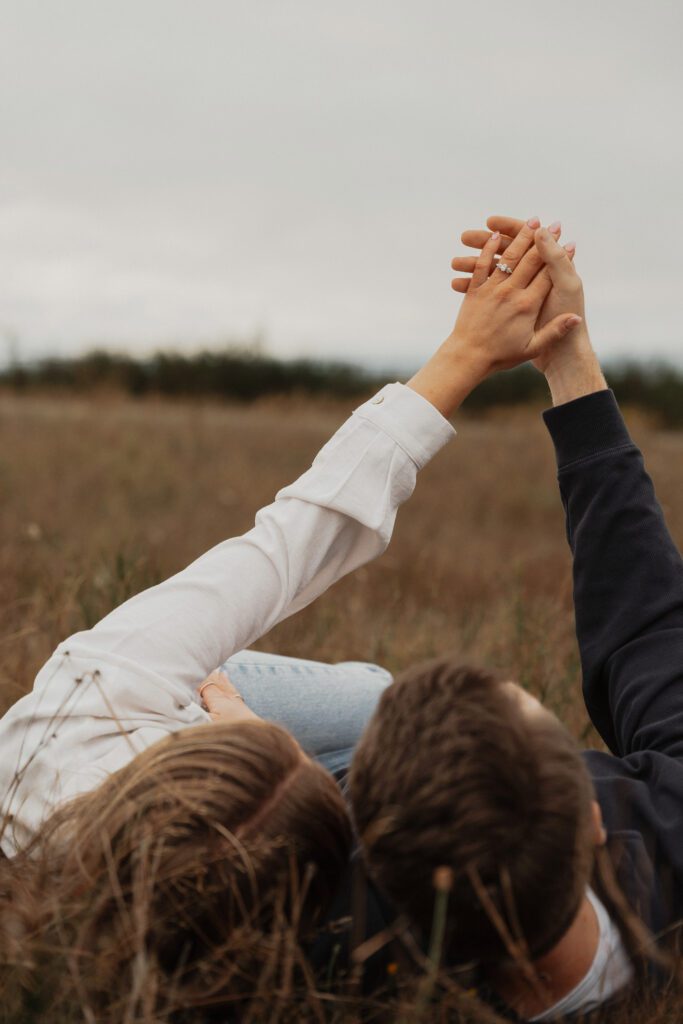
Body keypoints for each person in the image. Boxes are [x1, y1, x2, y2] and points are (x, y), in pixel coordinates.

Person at [0, 219, 578, 1017]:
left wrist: (467, 352)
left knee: (382, 705)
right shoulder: (252, 940)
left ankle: (297, 748)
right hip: (220, 781)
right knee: (410, 788)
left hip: (162, 704)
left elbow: (295, 539)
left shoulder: (93, 689)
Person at [349, 219, 683, 1019]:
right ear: (594, 826)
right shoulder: (669, 845)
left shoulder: (311, 905)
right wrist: (566, 355)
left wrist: (241, 747)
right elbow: (648, 632)